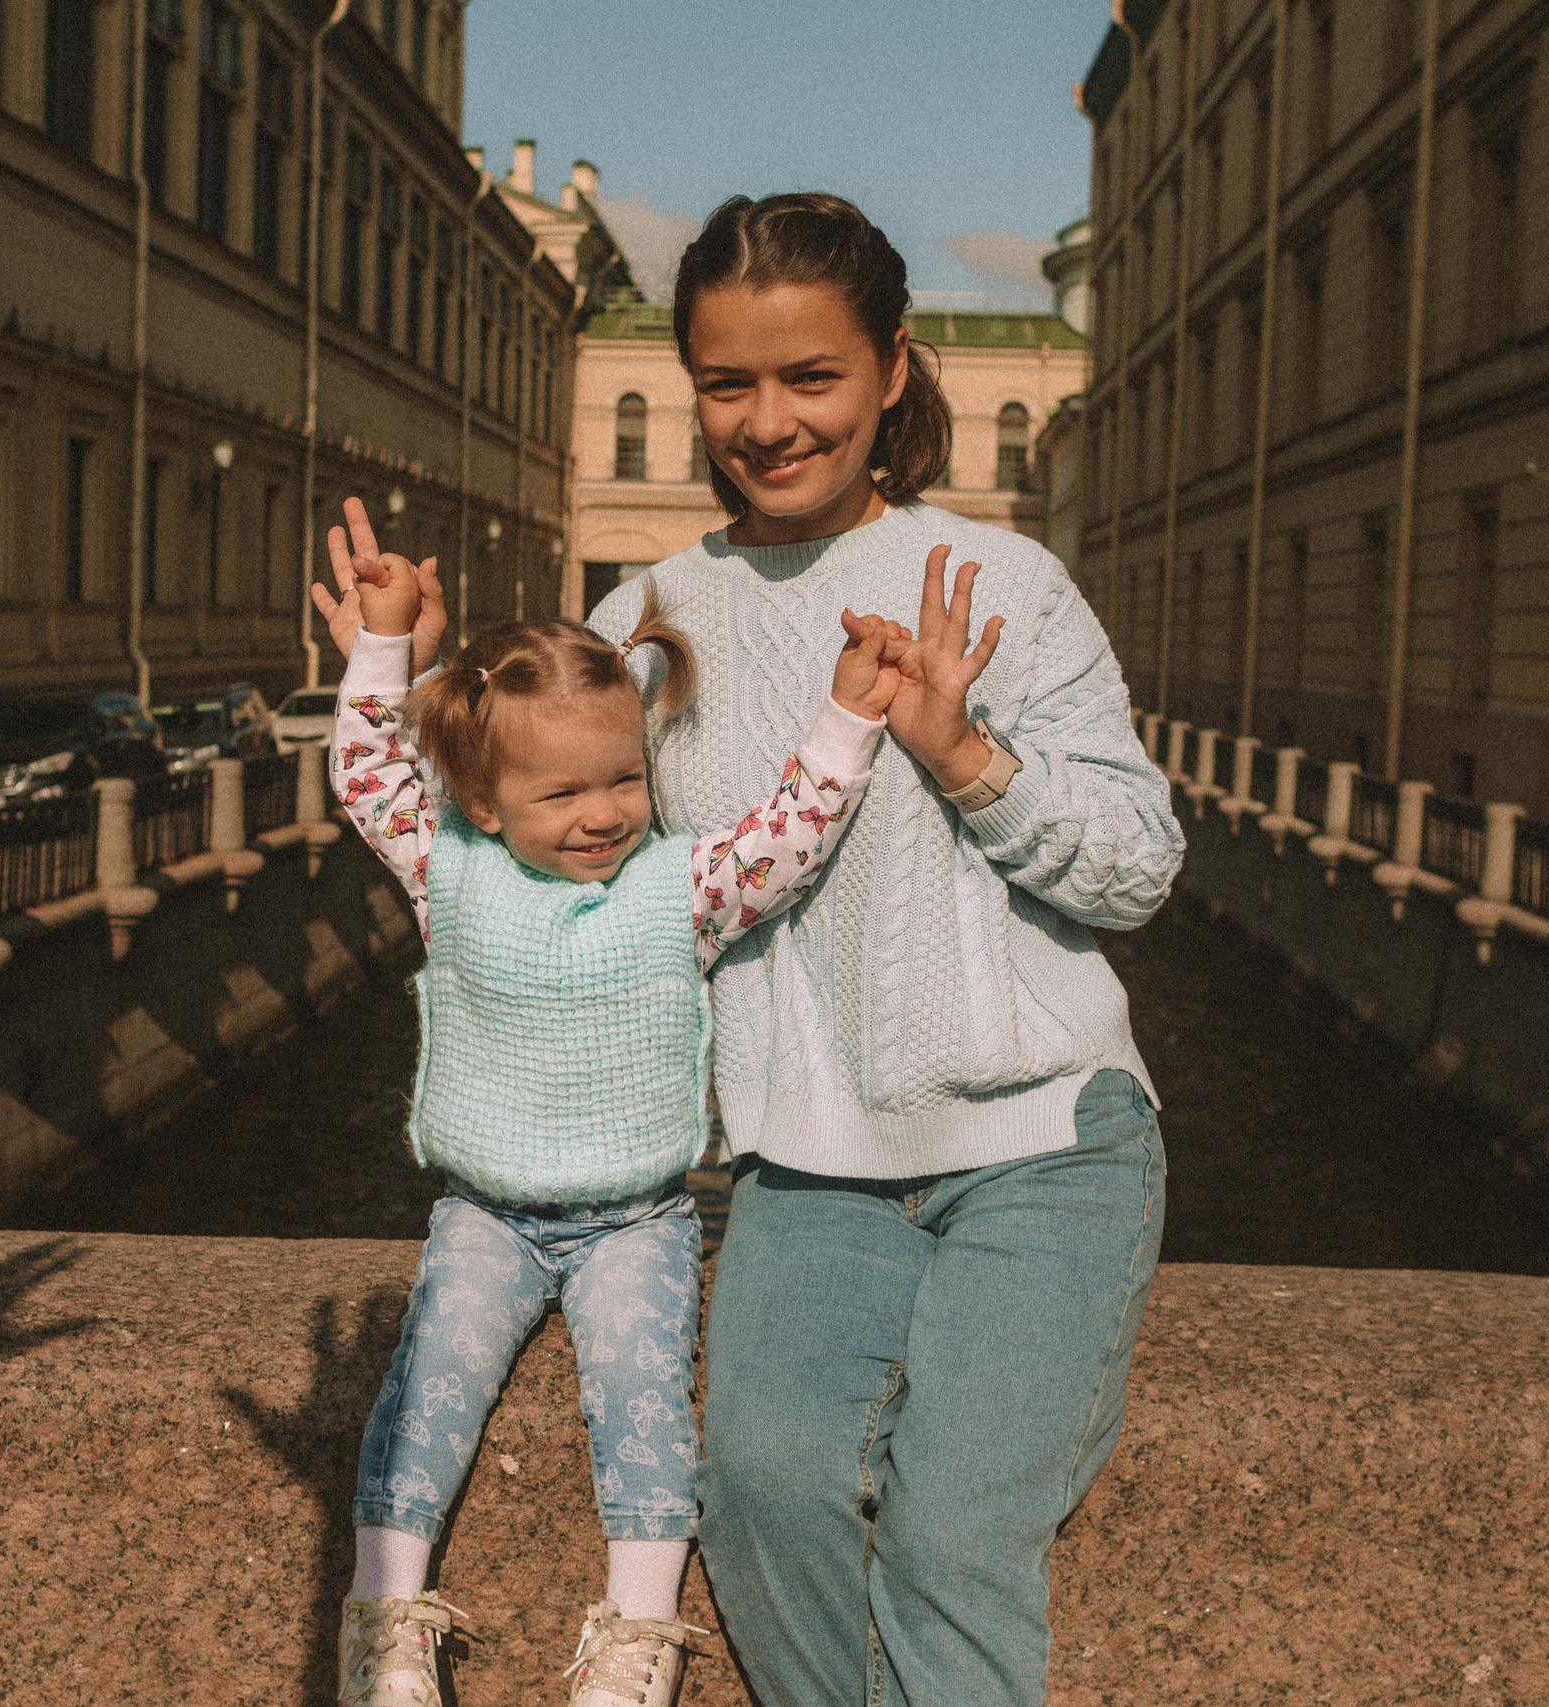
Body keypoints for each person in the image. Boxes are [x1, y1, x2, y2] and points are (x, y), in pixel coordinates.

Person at [580, 192, 1186, 1706]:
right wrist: (403, 694)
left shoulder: (1002, 584)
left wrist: (964, 750)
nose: (766, 423)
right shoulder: (643, 617)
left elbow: (1138, 870)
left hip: (1044, 1138)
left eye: (811, 379)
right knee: (768, 1486)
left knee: (959, 1528)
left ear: (893, 371)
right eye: (728, 382)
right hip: (804, 1154)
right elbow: (576, 896)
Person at [312, 496, 919, 1707]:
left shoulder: (678, 887)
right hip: (486, 1208)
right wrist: (383, 652)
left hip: (640, 1215)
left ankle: (637, 1636)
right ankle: (386, 1613)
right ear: (483, 804)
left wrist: (849, 713)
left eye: (622, 781)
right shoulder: (449, 867)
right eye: (560, 797)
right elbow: (368, 768)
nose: (600, 815)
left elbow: (788, 836)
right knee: (428, 1385)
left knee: (644, 1408)